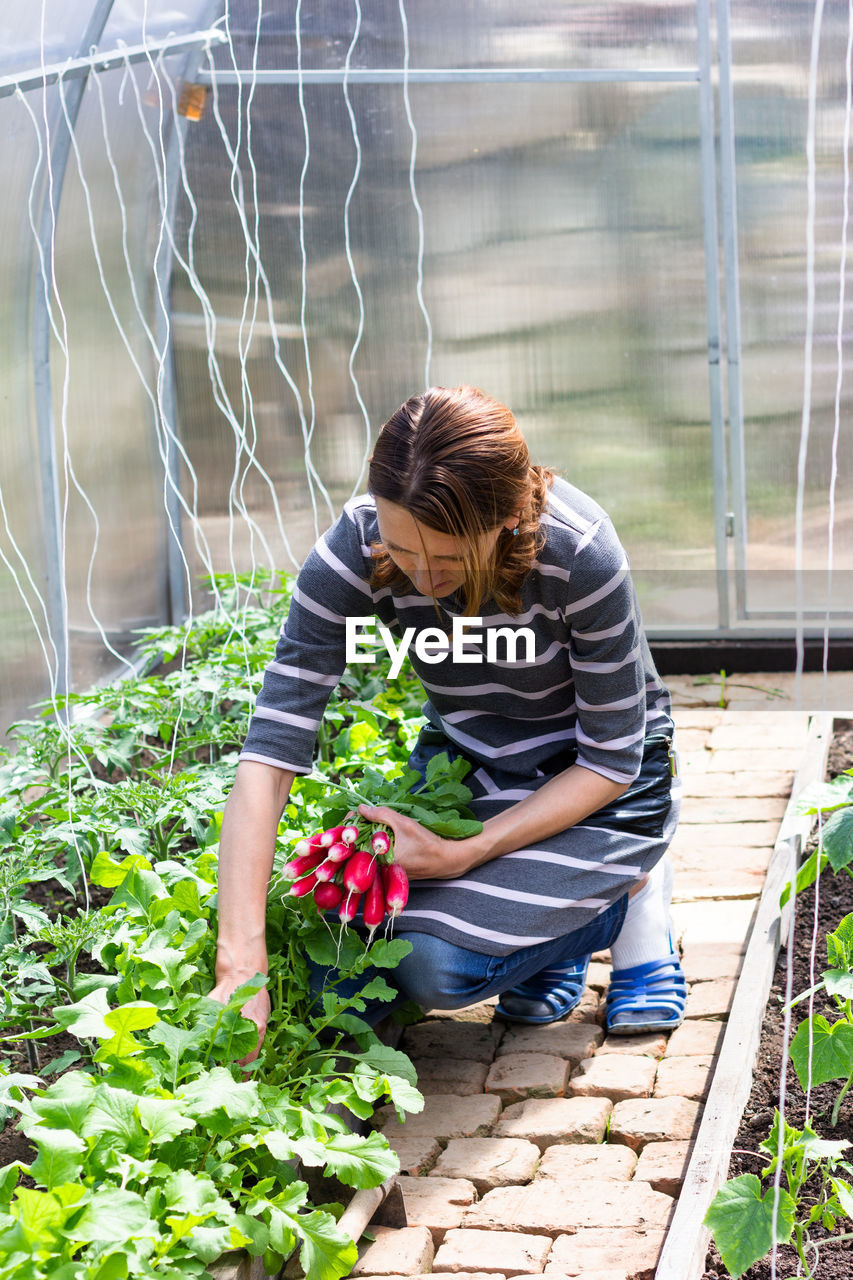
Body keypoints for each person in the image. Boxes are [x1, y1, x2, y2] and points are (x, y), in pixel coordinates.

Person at [211, 385, 686, 1055]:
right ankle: (549, 930)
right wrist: (240, 967)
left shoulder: (580, 555)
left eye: (448, 558)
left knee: (435, 970)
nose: (420, 575)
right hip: (471, 767)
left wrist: (464, 853)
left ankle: (629, 898)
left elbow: (611, 757)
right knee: (347, 947)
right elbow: (270, 754)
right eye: (402, 551)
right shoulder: (356, 547)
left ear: (510, 516)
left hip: (599, 784)